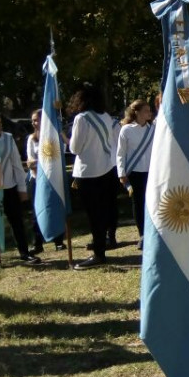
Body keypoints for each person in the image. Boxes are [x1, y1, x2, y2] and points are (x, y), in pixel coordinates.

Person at [67, 85, 120, 270]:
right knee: (103, 212)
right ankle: (101, 246)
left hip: (88, 172)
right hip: (107, 169)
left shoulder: (81, 118)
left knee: (93, 215)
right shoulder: (106, 116)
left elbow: (75, 148)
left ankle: (99, 253)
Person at [0, 116, 39, 268]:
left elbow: (16, 164)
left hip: (9, 187)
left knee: (17, 221)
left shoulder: (8, 139)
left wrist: (21, 188)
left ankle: (24, 252)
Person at [116, 100, 154, 250]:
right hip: (135, 172)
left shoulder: (153, 129)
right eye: (146, 110)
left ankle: (151, 233)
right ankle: (142, 235)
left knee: (151, 203)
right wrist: (121, 172)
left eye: (149, 110)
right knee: (138, 204)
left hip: (151, 172)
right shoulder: (126, 130)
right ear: (137, 112)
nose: (149, 113)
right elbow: (120, 153)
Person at [26, 109, 65, 254]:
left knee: (55, 208)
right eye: (33, 121)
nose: (34, 123)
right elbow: (30, 162)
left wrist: (43, 163)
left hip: (52, 180)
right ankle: (37, 243)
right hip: (36, 180)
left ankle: (58, 240)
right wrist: (42, 163)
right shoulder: (32, 139)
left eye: (37, 120)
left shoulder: (53, 137)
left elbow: (58, 156)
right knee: (37, 211)